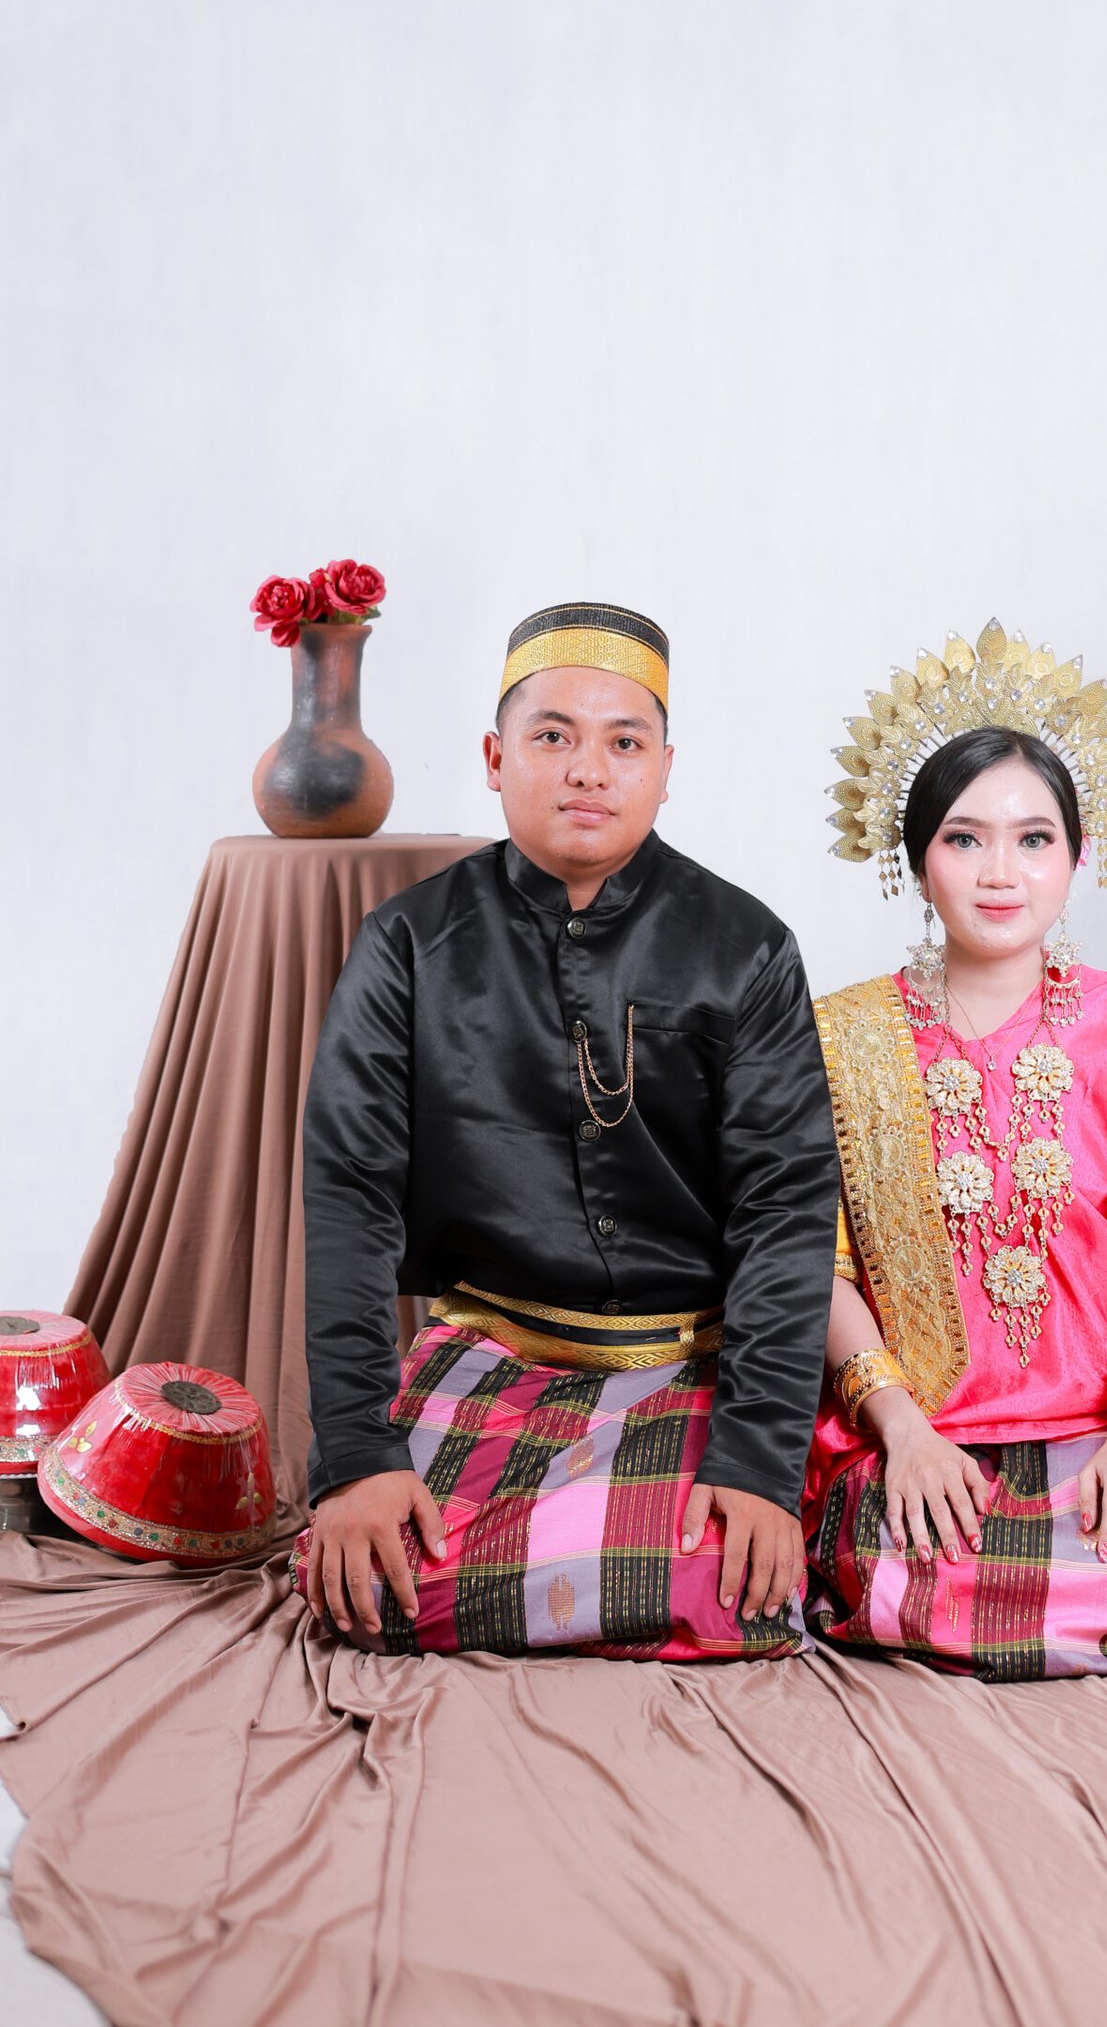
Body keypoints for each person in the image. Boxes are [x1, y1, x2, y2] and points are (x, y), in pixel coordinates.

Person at [291, 600, 839, 1659]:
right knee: (372, 1584)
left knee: (721, 1583)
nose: (588, 769)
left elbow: (787, 1212)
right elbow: (350, 1200)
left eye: (624, 742)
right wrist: (356, 1457)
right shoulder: (406, 944)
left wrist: (759, 1465)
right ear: (496, 759)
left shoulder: (747, 947)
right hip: (492, 1345)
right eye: (552, 736)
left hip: (688, 1360)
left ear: (665, 770)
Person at [807, 624, 1107, 1678]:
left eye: (1033, 839)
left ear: (1077, 856)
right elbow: (820, 1265)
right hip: (923, 1418)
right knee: (896, 1585)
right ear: (915, 859)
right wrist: (901, 1431)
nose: (999, 873)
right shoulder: (843, 1039)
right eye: (963, 838)